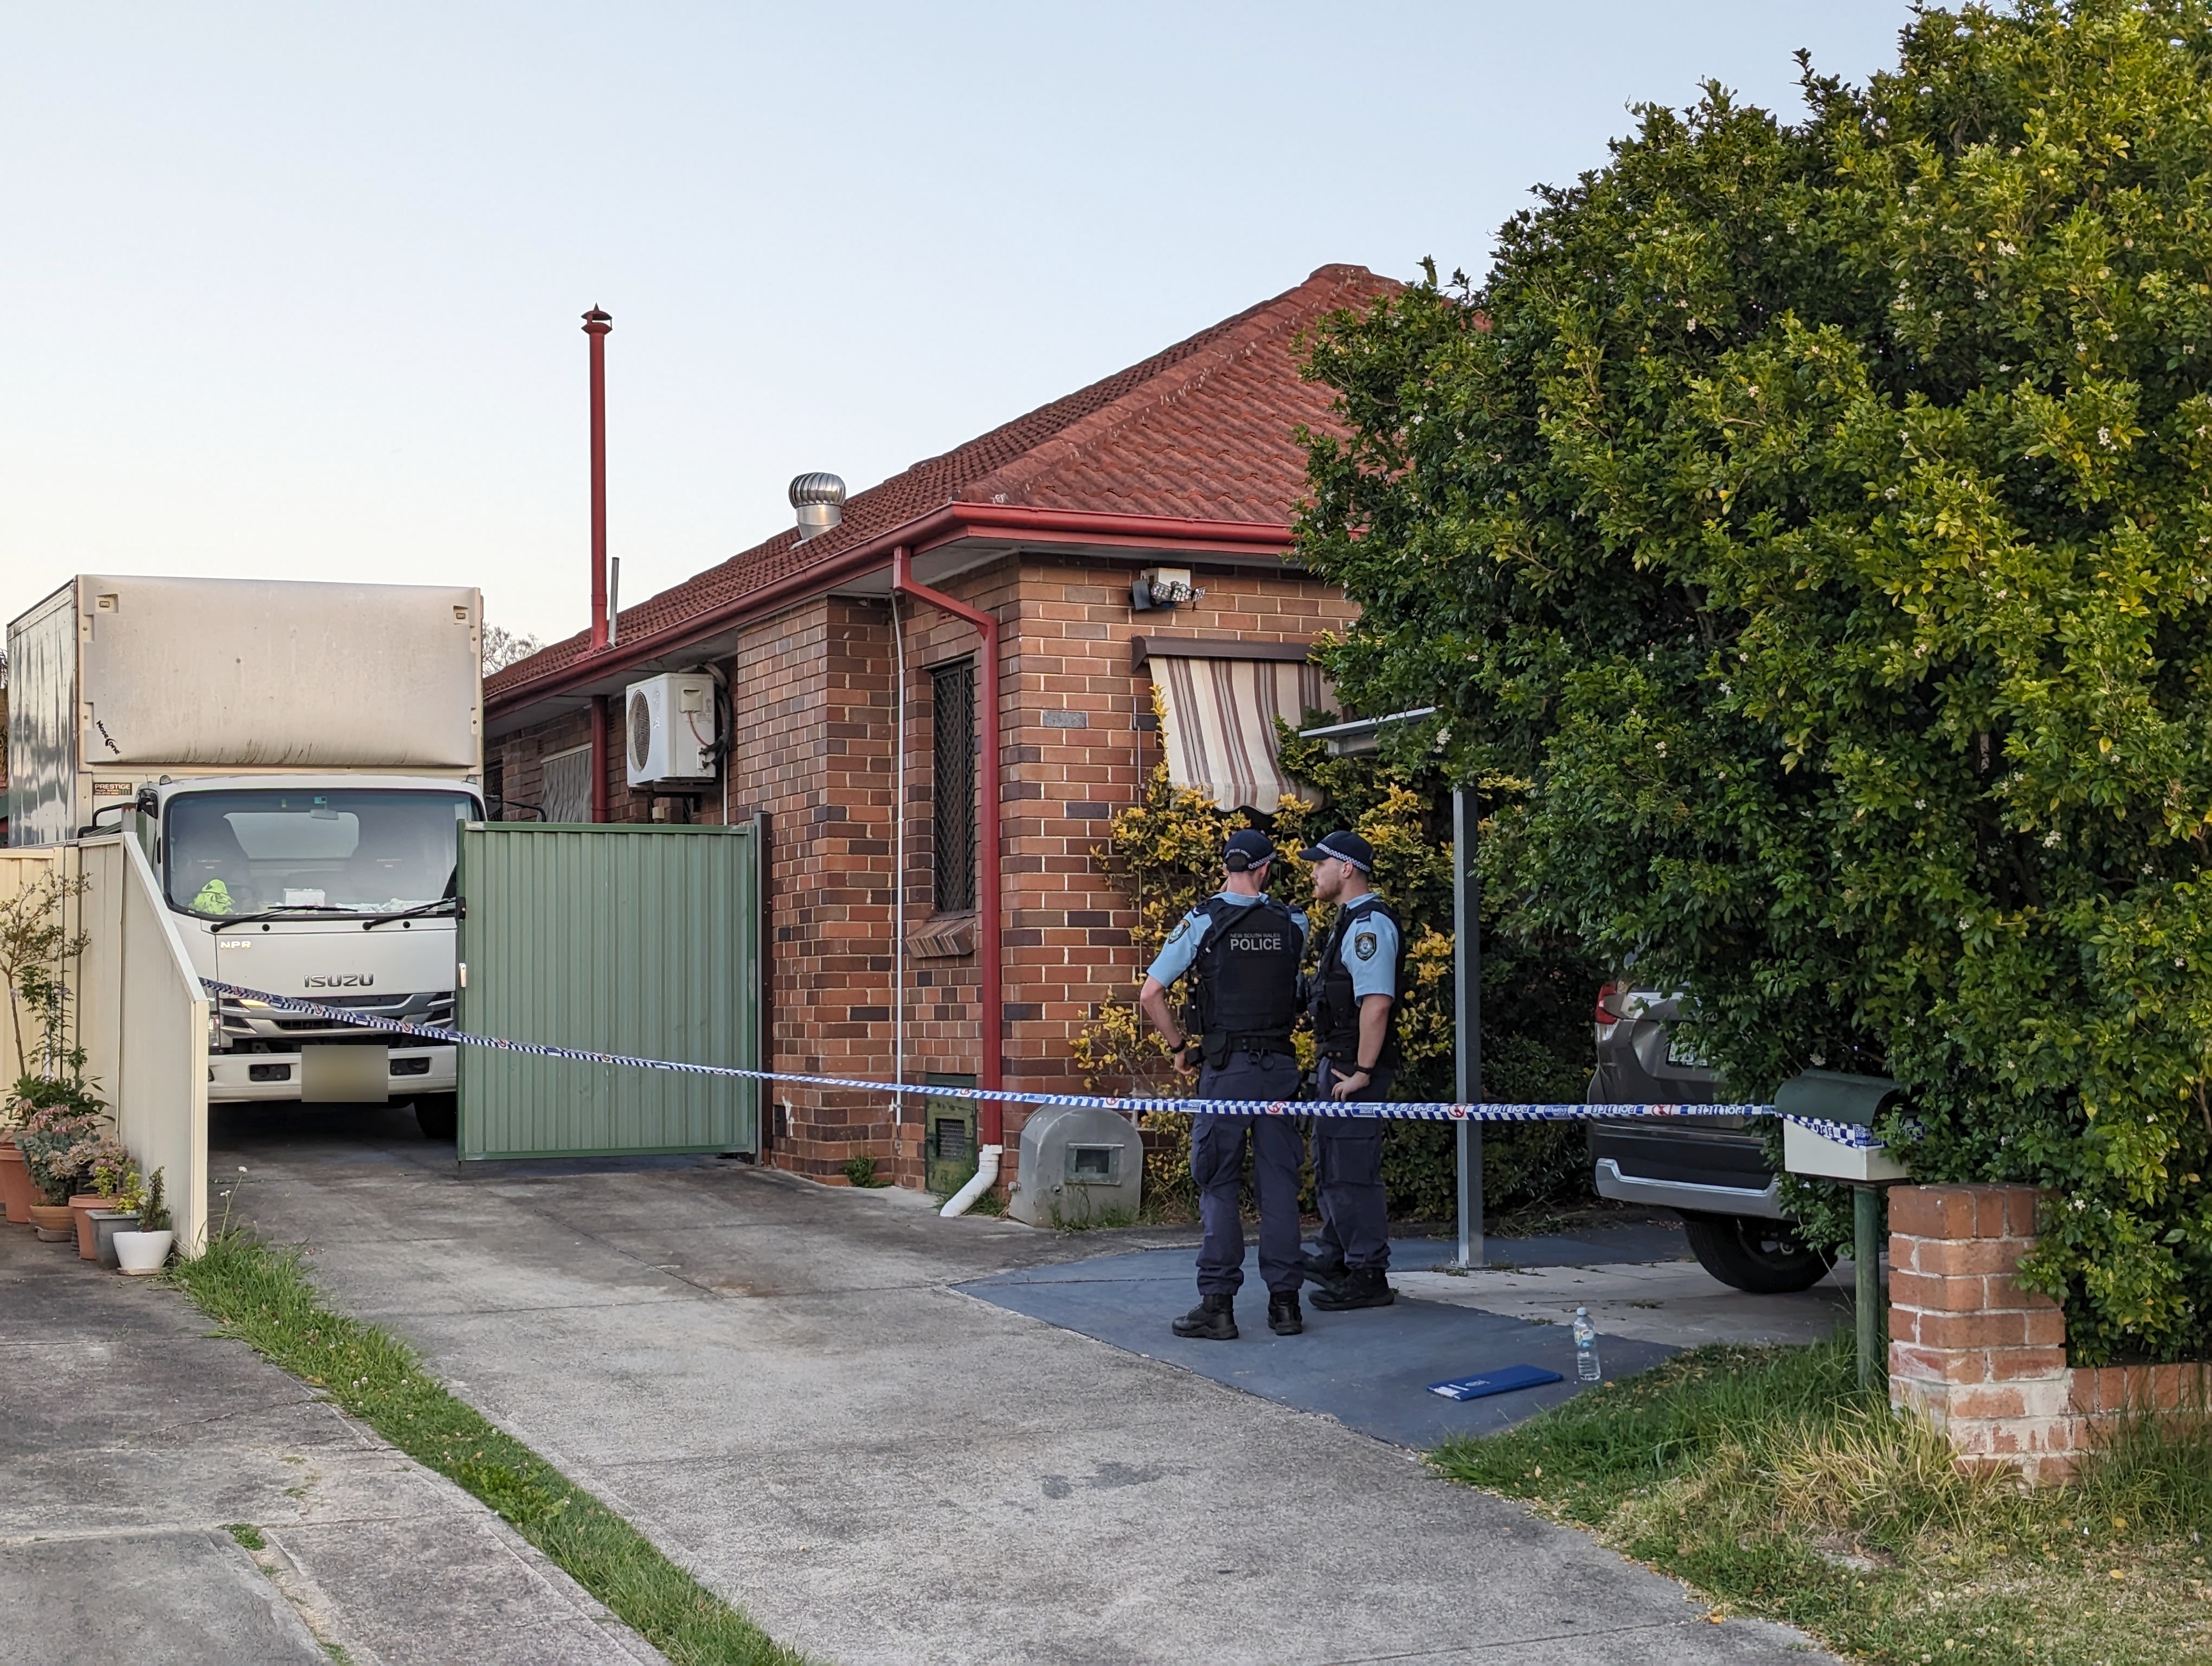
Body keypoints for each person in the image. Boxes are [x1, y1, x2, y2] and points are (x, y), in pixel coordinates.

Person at [1137, 829, 1309, 1341]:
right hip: (1278, 1069)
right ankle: (1285, 1307)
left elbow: (1151, 994)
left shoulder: (1203, 920)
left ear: (1228, 866)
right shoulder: (1292, 922)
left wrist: (1179, 1050)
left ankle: (1217, 1306)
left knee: (1218, 1183)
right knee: (1280, 1185)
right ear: (1265, 868)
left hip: (1227, 1069)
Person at [1297, 829, 1404, 1311]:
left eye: (1320, 863)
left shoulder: (1368, 927)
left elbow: (1376, 1004)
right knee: (1331, 1165)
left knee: (1352, 1172)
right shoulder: (1347, 922)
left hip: (1351, 1071)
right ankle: (1338, 1254)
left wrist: (1362, 1070)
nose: (1313, 872)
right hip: (1338, 1064)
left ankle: (1367, 1273)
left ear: (1346, 868)